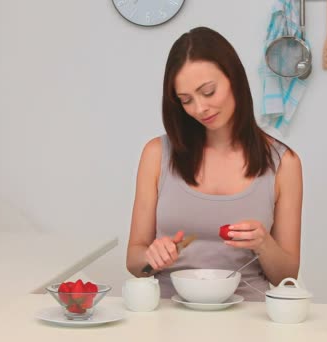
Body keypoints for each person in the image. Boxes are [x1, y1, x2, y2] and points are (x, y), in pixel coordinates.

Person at [126, 27, 303, 301]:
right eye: (186, 100)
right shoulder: (156, 154)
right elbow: (135, 262)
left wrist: (264, 244)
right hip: (168, 314)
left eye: (208, 92)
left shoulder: (284, 163)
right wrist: (152, 256)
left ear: (234, 78)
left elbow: (287, 276)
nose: (199, 109)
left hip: (249, 318)